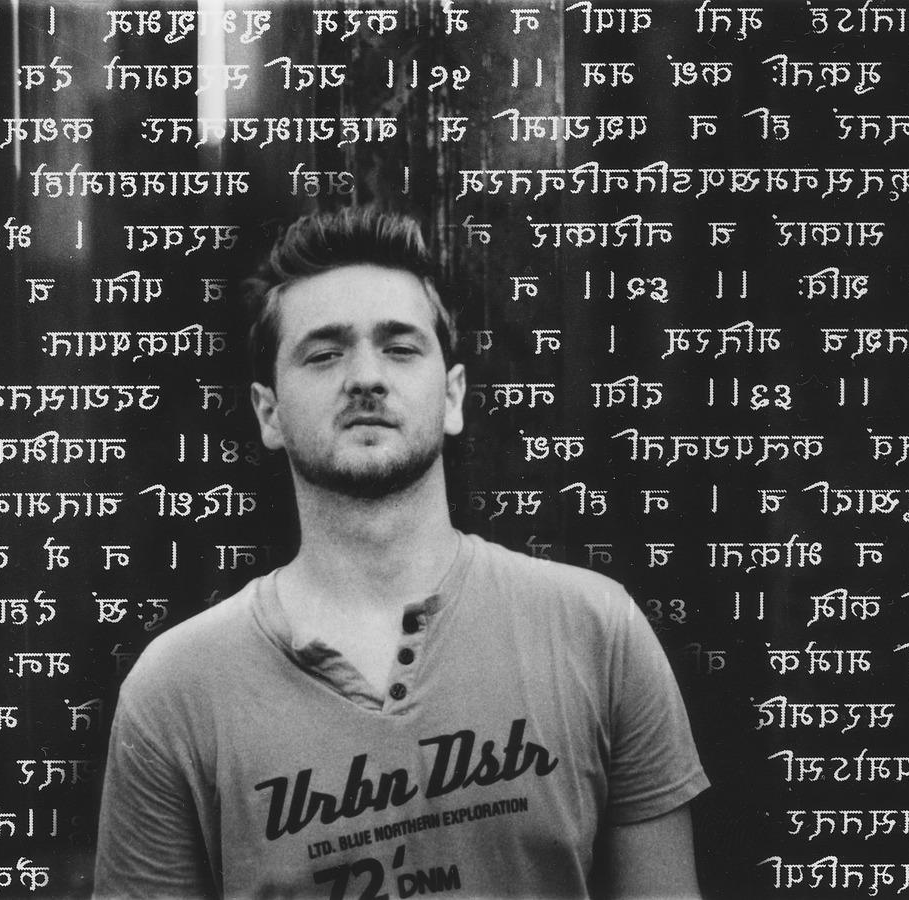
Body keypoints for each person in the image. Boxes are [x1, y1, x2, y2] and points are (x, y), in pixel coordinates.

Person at [94, 207, 709, 899]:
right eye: (324, 354)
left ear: (452, 397)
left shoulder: (597, 631)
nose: (365, 376)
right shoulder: (174, 691)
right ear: (269, 413)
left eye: (400, 347)